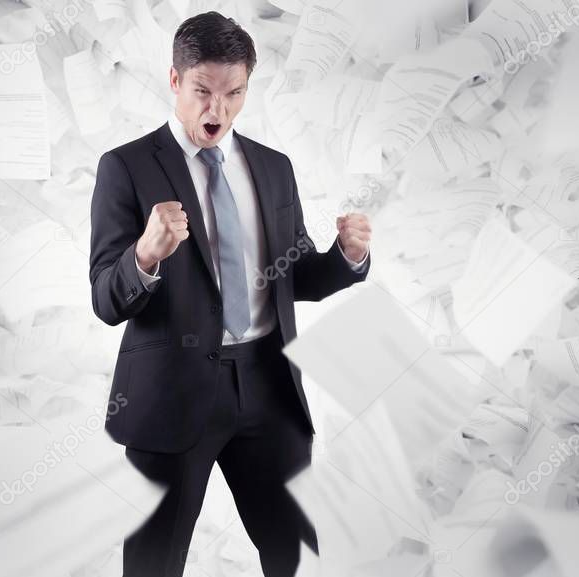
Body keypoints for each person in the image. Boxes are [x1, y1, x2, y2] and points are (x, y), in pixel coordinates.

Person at [88, 10, 372, 577]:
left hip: (269, 388)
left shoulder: (272, 167)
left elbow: (298, 278)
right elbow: (105, 299)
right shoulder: (125, 167)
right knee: (153, 565)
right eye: (202, 92)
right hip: (171, 396)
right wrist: (144, 256)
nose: (216, 110)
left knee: (296, 556)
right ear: (175, 81)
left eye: (234, 93)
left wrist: (348, 257)